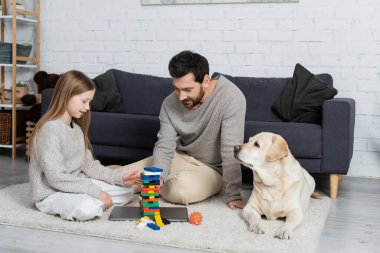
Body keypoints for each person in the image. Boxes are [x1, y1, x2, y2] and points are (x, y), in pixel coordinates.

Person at [120, 51, 246, 209]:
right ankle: (154, 180)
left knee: (181, 190)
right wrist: (156, 179)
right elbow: (164, 146)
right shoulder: (169, 103)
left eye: (187, 89)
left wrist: (233, 194)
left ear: (205, 81)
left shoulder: (231, 97)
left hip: (211, 169)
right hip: (178, 157)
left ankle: (158, 181)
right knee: (121, 179)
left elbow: (230, 149)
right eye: (177, 89)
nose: (180, 97)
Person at [29, 70, 141, 221]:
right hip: (51, 192)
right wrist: (94, 191)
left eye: (89, 102)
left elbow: (89, 165)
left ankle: (93, 200)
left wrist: (118, 178)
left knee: (126, 192)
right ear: (66, 95)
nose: (88, 107)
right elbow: (55, 177)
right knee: (87, 208)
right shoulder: (50, 129)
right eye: (84, 101)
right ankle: (91, 201)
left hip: (75, 184)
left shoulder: (76, 129)